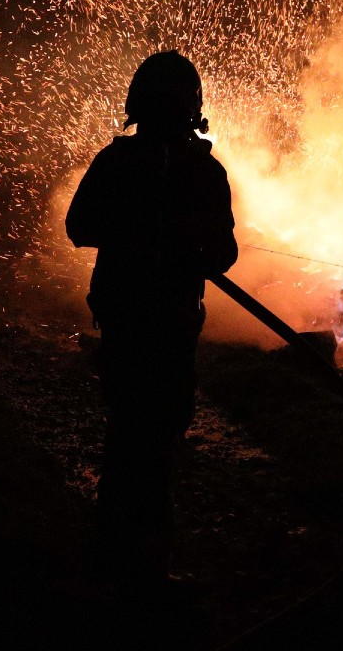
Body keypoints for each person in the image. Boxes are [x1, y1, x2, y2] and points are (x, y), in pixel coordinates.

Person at [66, 50, 238, 589]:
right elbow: (225, 253)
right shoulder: (200, 171)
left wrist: (171, 243)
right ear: (195, 108)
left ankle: (120, 553)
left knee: (132, 429)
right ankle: (142, 562)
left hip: (138, 318)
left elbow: (80, 226)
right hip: (157, 320)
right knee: (155, 434)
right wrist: (159, 238)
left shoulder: (120, 163)